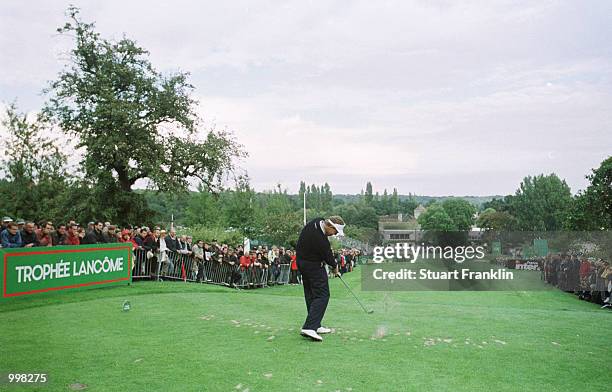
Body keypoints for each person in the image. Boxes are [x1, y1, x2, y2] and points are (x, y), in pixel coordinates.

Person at [295, 216, 345, 342]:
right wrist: (335, 268)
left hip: (303, 264)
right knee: (322, 295)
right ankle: (310, 327)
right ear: (330, 226)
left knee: (311, 295)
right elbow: (328, 256)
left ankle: (315, 324)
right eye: (335, 232)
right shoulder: (320, 239)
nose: (334, 235)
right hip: (313, 267)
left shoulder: (317, 221)